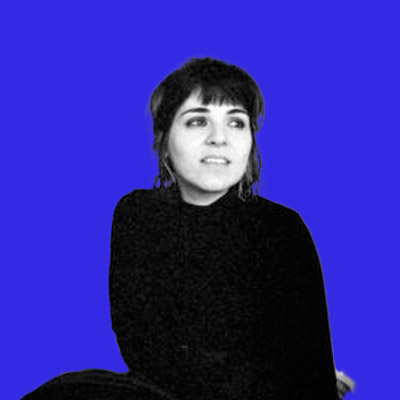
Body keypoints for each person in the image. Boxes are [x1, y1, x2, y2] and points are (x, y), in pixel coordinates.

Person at [22, 57, 347, 399]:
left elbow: (309, 364)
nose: (219, 138)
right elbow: (139, 343)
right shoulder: (137, 214)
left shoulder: (281, 228)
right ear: (164, 141)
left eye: (236, 123)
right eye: (198, 121)